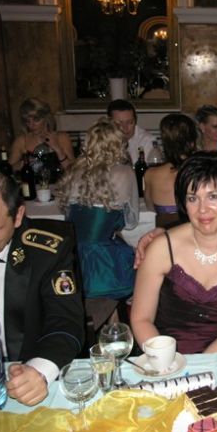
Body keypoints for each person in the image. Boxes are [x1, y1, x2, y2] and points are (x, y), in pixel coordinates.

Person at [131, 151, 217, 354]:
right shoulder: (162, 248)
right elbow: (141, 319)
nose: (202, 209)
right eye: (193, 198)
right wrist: (165, 360)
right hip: (159, 356)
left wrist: (203, 365)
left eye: (213, 197)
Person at [0, 168, 84, 406]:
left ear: (18, 216)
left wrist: (40, 370)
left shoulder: (47, 253)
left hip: (17, 374)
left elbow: (66, 322)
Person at [54, 118, 138, 301]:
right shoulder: (125, 172)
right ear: (119, 144)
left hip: (71, 258)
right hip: (103, 260)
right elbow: (131, 223)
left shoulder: (73, 172)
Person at [144, 113, 197, 228]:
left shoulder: (150, 174)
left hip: (166, 233)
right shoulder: (202, 172)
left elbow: (150, 209)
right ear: (192, 142)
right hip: (195, 232)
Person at [9, 98, 74, 182]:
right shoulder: (21, 141)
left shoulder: (62, 137)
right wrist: (23, 163)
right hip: (33, 187)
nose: (31, 125)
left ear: (46, 118)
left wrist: (58, 149)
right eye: (27, 121)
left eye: (36, 120)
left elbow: (73, 170)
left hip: (60, 186)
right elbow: (8, 170)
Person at [107, 99, 154, 164]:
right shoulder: (102, 141)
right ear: (109, 123)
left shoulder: (147, 140)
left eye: (130, 122)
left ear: (135, 121)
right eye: (119, 124)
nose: (125, 128)